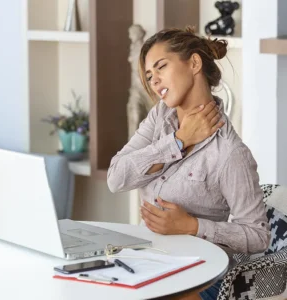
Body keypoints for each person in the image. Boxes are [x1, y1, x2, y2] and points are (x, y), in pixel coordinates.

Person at [107, 26, 270, 300]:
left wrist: (193, 227)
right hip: (145, 262)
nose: (154, 81)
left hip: (198, 280)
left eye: (161, 67)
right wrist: (177, 141)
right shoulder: (160, 118)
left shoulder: (230, 153)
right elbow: (116, 179)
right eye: (149, 75)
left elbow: (258, 236)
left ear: (194, 63)